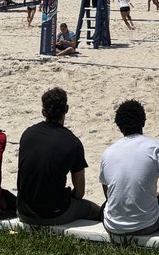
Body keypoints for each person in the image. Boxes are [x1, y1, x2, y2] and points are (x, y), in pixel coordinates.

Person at [99, 99, 159, 238]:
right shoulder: (156, 147)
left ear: (119, 126)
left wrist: (150, 194)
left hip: (113, 226)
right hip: (146, 226)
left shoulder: (107, 153)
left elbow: (109, 191)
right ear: (143, 122)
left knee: (104, 206)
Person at [17, 87, 102, 224]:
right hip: (52, 214)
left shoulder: (27, 134)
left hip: (23, 210)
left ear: (43, 112)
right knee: (94, 210)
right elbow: (80, 192)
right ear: (66, 109)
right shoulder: (73, 143)